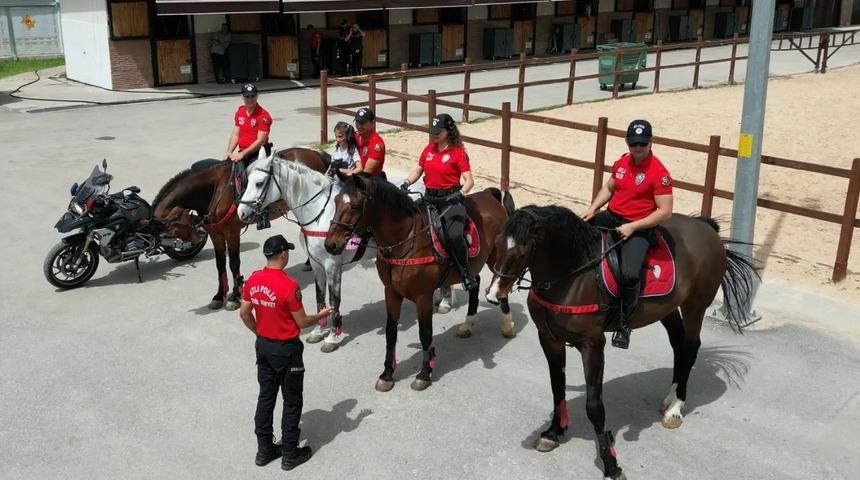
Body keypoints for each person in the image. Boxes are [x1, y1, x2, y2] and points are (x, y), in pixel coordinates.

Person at [239, 235, 332, 470]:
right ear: (283, 254)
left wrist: (259, 332)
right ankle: (290, 452)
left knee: (266, 397)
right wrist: (321, 316)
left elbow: (244, 312)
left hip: (264, 347)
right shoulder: (289, 286)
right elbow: (302, 322)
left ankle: (264, 450)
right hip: (287, 350)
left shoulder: (253, 279)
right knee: (292, 401)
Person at [581, 119, 674, 349]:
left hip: (640, 227)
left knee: (629, 273)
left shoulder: (659, 173)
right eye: (634, 144)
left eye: (642, 144)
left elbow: (665, 212)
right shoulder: (622, 162)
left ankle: (624, 324)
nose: (638, 148)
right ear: (627, 143)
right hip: (613, 217)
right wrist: (593, 209)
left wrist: (633, 227)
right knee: (578, 236)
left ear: (651, 142)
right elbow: (610, 188)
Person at [399, 113, 477, 292]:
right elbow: (418, 170)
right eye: (432, 131)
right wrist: (406, 182)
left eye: (438, 131)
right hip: (429, 197)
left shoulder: (458, 152)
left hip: (450, 200)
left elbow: (469, 180)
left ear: (448, 131)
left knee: (454, 234)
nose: (434, 134)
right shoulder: (429, 149)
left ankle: (465, 272)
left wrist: (461, 193)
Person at [223, 83, 273, 168]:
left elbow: (260, 141)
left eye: (253, 96)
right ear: (242, 96)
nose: (250, 99)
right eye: (247, 97)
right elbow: (236, 135)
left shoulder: (264, 116)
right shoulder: (240, 112)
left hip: (259, 154)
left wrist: (242, 154)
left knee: (251, 178)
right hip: (243, 152)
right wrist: (229, 152)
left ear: (257, 96)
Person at [349, 107, 386, 178]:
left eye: (362, 123)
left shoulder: (377, 144)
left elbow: (366, 172)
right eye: (357, 122)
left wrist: (348, 173)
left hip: (370, 182)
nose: (359, 126)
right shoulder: (355, 136)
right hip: (354, 175)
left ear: (372, 123)